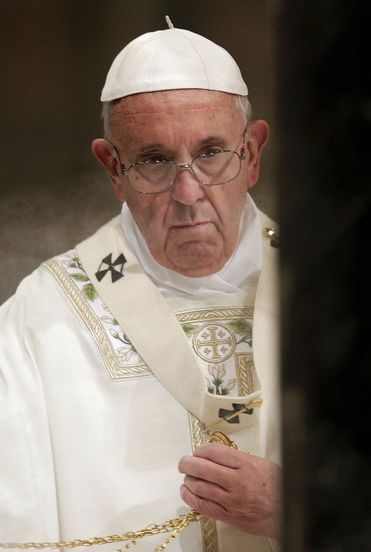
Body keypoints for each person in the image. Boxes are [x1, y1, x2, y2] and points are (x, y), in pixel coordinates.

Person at [0, 18, 281, 552]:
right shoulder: (36, 324)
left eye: (211, 152)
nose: (188, 192)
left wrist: (304, 509)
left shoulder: (335, 299)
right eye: (154, 160)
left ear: (254, 154)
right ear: (112, 168)